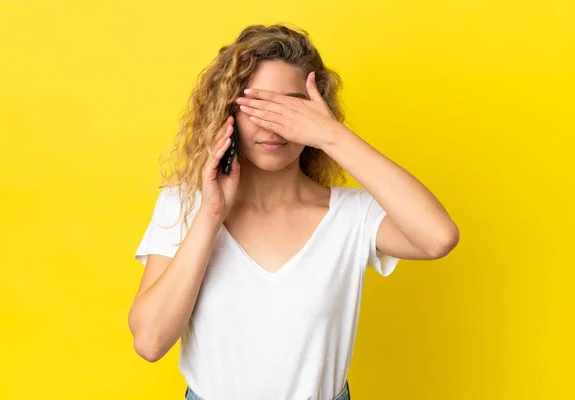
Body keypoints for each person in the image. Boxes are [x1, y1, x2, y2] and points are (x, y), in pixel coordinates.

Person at [128, 24, 459, 400]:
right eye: (256, 105)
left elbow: (438, 237)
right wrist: (210, 215)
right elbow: (150, 342)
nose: (274, 124)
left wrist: (331, 136)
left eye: (291, 107)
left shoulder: (352, 215)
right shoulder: (186, 205)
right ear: (227, 113)